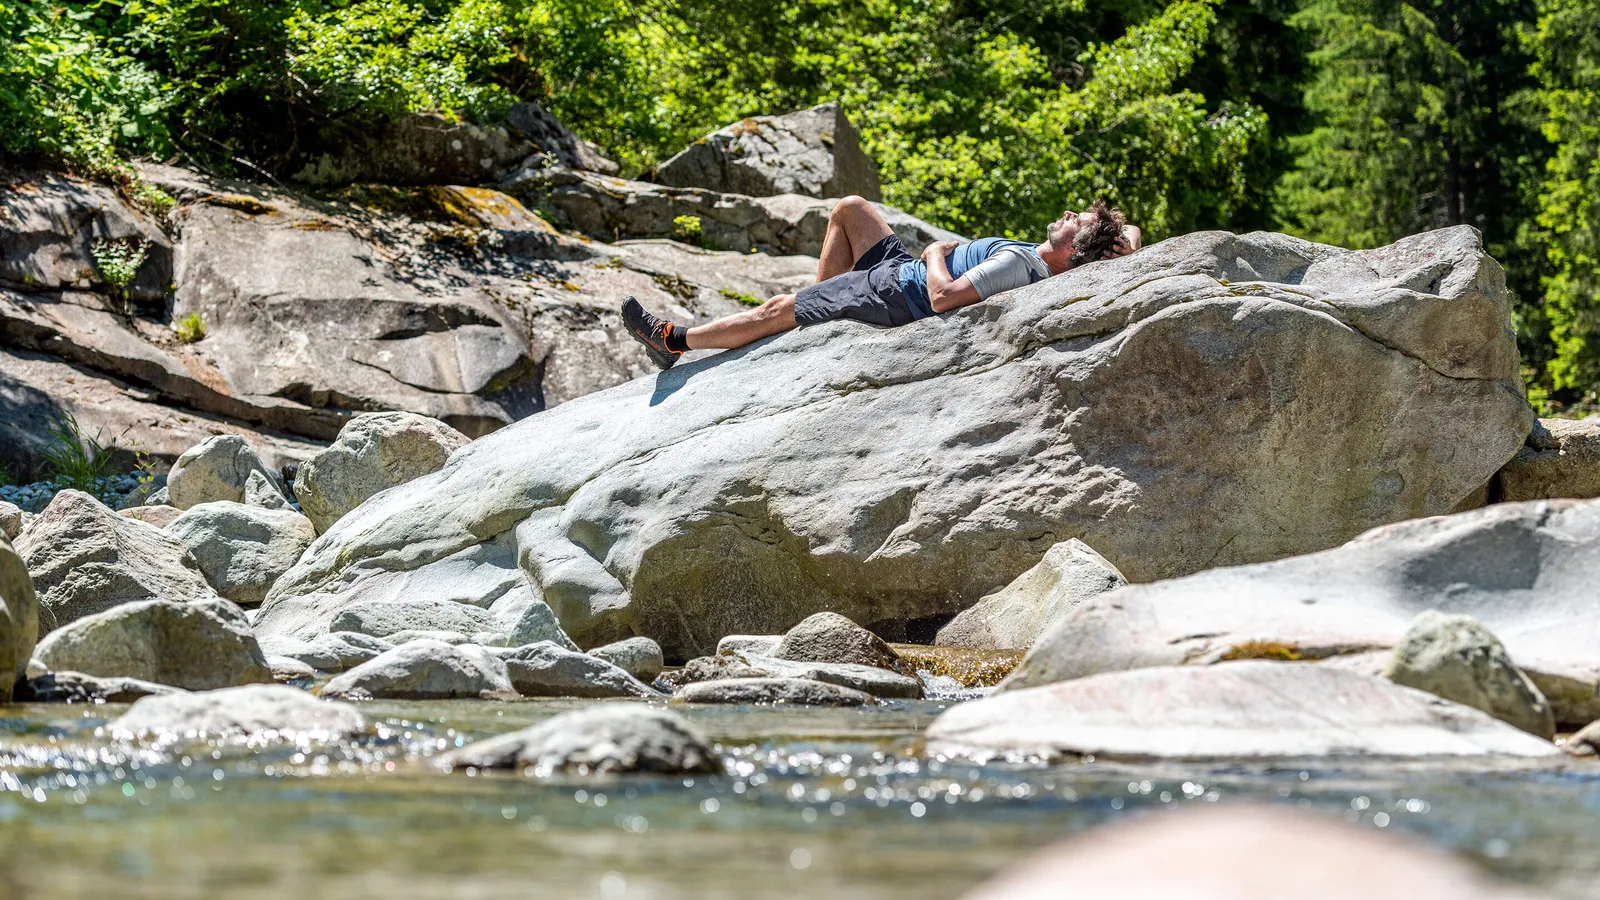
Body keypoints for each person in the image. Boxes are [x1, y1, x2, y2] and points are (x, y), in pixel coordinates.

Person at [621, 195, 1141, 370]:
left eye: (1079, 222)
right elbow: (1132, 232)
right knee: (850, 209)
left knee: (776, 308)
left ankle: (671, 341)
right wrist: (1123, 244)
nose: (1069, 212)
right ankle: (812, 316)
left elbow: (943, 299)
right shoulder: (1045, 258)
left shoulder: (1019, 269)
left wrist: (936, 252)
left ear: (1074, 249)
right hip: (896, 272)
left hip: (902, 291)